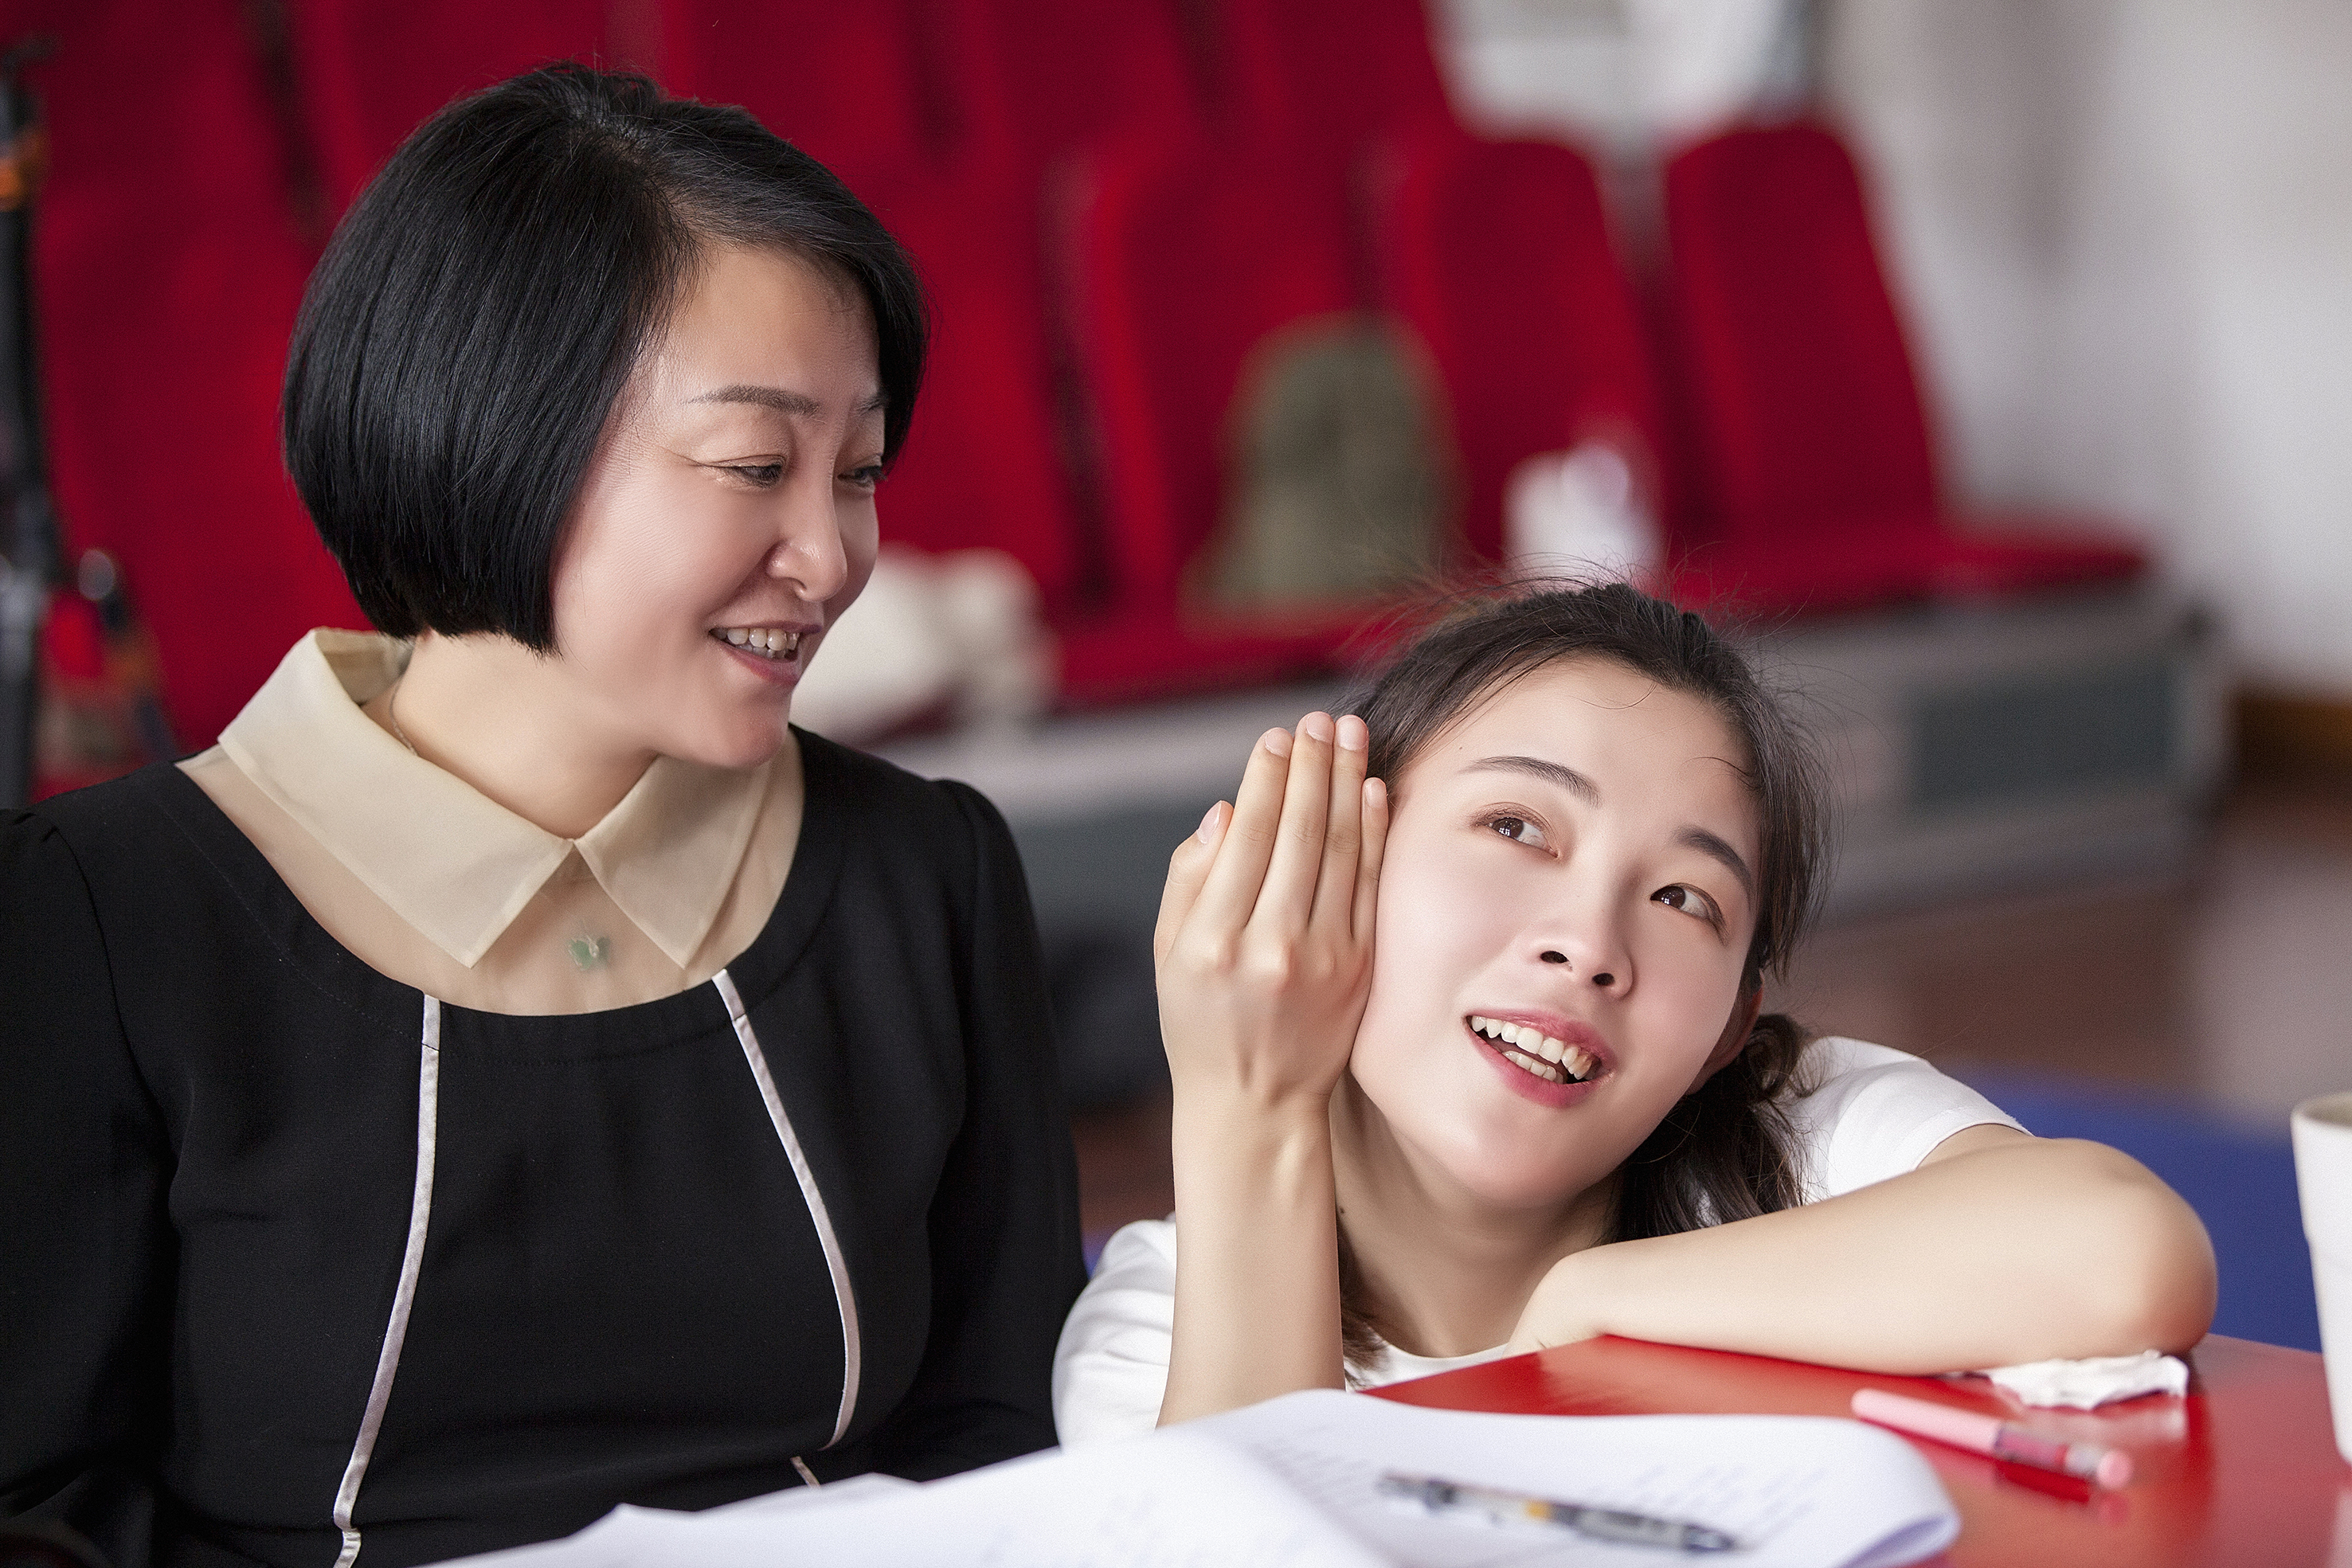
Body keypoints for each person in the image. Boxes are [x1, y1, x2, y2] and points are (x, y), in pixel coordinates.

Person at [0, 66, 1082, 1566]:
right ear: (494, 431)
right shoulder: (100, 920)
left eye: (858, 471)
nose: (833, 555)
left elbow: (1001, 1439)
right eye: (755, 467)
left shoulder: (925, 872)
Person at [1054, 581, 2217, 1440]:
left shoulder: (1792, 1137)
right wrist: (1244, 1103)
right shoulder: (1163, 1322)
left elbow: (2126, 1253)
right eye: (1517, 827)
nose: (1589, 944)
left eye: (1682, 898)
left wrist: (1591, 1303)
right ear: (1338, 863)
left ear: (1727, 1032)